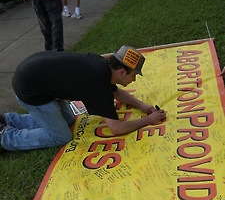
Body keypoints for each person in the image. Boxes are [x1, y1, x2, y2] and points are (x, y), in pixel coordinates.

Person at [0, 46, 166, 154]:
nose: (134, 80)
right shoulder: (98, 82)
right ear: (122, 72)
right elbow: (116, 128)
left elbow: (116, 93)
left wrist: (142, 106)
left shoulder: (102, 67)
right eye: (134, 75)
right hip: (31, 91)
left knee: (69, 120)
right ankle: (4, 137)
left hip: (37, 78)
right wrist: (148, 120)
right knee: (61, 136)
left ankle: (8, 119)